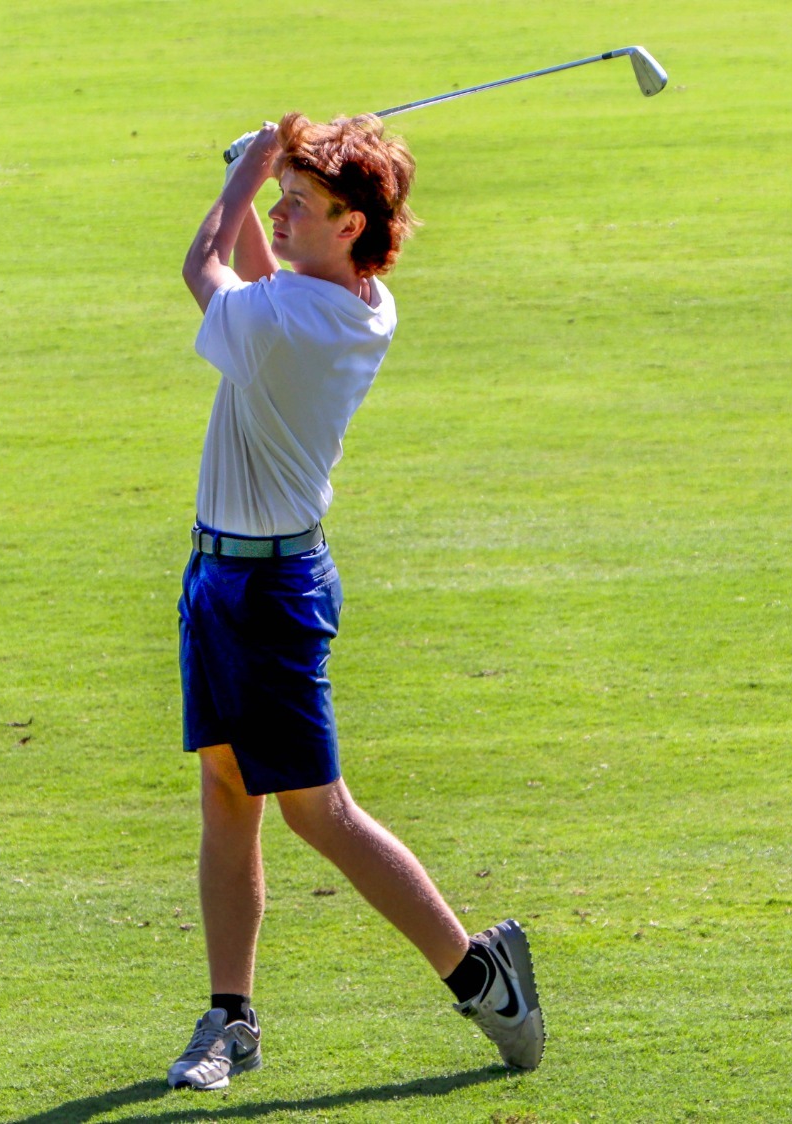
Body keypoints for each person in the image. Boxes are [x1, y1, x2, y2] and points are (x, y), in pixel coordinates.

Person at [165, 112, 544, 1092]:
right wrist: (272, 184)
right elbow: (267, 285)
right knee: (225, 793)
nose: (283, 216)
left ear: (352, 224)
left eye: (302, 205)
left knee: (317, 812)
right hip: (219, 576)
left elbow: (204, 270)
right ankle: (230, 1014)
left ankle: (478, 972)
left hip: (270, 591)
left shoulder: (302, 325)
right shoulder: (351, 302)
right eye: (283, 203)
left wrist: (243, 179)